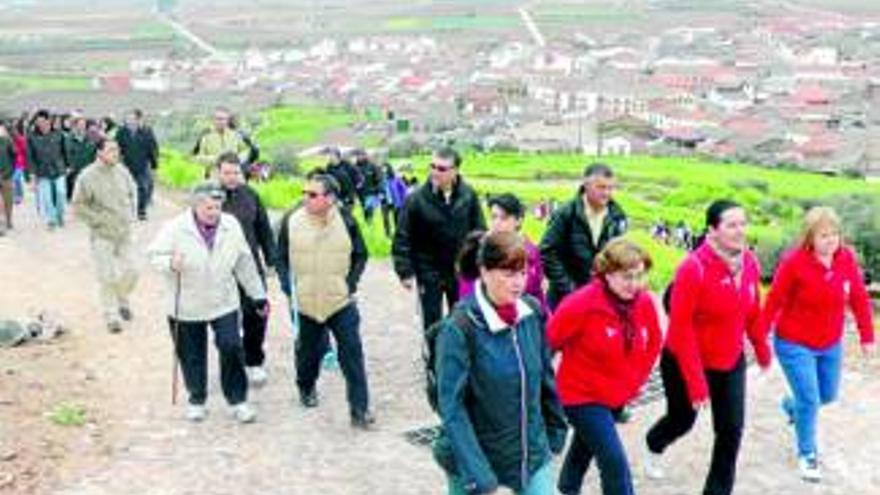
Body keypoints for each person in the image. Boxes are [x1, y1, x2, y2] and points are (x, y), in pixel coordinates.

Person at [643, 199, 771, 495]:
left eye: (743, 223)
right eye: (731, 225)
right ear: (712, 231)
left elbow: (752, 311)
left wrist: (762, 350)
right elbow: (680, 330)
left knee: (730, 431)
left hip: (729, 361)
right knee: (682, 420)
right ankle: (654, 443)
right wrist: (697, 384)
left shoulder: (750, 262)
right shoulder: (693, 268)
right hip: (686, 360)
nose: (740, 231)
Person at [433, 231, 567, 494]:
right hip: (475, 462)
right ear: (484, 272)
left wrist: (555, 433)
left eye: (522, 273)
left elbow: (544, 377)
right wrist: (483, 481)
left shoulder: (532, 312)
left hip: (532, 455)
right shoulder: (459, 328)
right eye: (508, 273)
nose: (518, 283)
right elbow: (452, 408)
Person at [760, 206, 875, 482]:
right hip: (794, 342)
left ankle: (791, 407)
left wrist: (867, 336)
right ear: (810, 237)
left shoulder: (846, 259)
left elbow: (859, 298)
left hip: (829, 343)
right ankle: (807, 454)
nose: (831, 240)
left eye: (835, 234)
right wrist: (759, 337)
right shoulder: (794, 263)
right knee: (810, 400)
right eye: (824, 235)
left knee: (827, 395)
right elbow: (774, 300)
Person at [547, 238, 662, 495]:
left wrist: (636, 380)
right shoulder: (581, 304)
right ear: (607, 274)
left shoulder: (643, 302)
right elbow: (547, 346)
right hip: (581, 396)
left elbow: (654, 341)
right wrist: (542, 394)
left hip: (616, 395)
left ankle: (566, 490)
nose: (635, 284)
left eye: (640, 276)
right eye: (627, 277)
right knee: (614, 463)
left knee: (583, 449)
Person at [147, 181, 267, 423]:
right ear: (195, 206)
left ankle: (238, 400)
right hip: (187, 303)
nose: (214, 213)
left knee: (232, 346)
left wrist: (258, 294)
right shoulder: (175, 227)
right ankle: (197, 399)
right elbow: (153, 255)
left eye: (218, 207)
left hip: (223, 300)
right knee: (191, 353)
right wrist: (170, 262)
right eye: (209, 208)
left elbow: (244, 262)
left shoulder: (231, 225)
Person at [276, 172, 374, 429]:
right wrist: (288, 286)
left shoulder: (347, 221)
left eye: (312, 194)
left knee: (352, 354)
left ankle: (360, 409)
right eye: (304, 193)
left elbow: (361, 255)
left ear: (330, 198)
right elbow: (280, 257)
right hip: (306, 303)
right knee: (307, 356)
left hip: (340, 302)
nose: (305, 198)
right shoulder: (291, 220)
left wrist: (349, 284)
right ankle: (306, 388)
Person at [392, 147, 485, 331]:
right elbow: (403, 236)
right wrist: (405, 271)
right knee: (432, 323)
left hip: (460, 269)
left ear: (455, 171)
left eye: (442, 168)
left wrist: (481, 264)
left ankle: (457, 358)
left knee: (461, 320)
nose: (435, 172)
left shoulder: (469, 196)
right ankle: (433, 358)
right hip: (428, 270)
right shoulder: (416, 199)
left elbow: (480, 231)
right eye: (432, 166)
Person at [216, 152, 277, 386]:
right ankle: (231, 362)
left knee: (257, 315)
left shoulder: (251, 195)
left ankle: (254, 361)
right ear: (218, 173)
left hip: (251, 266)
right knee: (226, 320)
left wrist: (272, 259)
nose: (232, 177)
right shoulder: (209, 198)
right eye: (227, 173)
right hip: (220, 270)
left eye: (236, 173)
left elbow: (264, 230)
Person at [71, 138, 139, 333]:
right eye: (110, 150)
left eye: (116, 150)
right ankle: (111, 316)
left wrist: (131, 211)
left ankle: (121, 297)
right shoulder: (87, 176)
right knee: (106, 276)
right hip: (102, 235)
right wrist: (98, 220)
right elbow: (77, 206)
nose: (115, 154)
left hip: (124, 232)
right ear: (99, 153)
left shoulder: (122, 171)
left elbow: (133, 189)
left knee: (133, 270)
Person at [540, 163, 627, 311]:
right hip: (564, 298)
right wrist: (569, 289)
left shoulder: (617, 216)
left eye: (610, 188)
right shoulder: (567, 213)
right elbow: (547, 252)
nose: (606, 193)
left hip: (599, 298)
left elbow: (617, 256)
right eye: (601, 187)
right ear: (586, 185)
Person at [457, 193, 548, 314]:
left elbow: (537, 292)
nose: (497, 223)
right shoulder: (479, 248)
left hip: (523, 317)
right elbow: (467, 290)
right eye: (494, 217)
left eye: (504, 218)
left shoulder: (531, 251)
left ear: (518, 221)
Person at [116, 109, 159, 221]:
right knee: (125, 189)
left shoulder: (147, 131)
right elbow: (117, 147)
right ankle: (126, 210)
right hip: (126, 164)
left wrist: (154, 165)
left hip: (142, 165)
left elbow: (153, 149)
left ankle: (141, 211)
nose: (129, 121)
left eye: (132, 119)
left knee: (142, 188)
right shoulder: (122, 132)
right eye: (128, 119)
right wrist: (117, 161)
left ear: (138, 119)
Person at [28, 110, 67, 229]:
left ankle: (59, 215)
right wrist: (32, 174)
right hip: (42, 171)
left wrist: (68, 165)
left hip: (58, 169)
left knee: (61, 193)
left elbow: (64, 151)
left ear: (48, 120)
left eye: (43, 121)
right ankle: (51, 219)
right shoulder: (32, 137)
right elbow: (31, 157)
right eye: (38, 122)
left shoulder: (58, 134)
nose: (41, 124)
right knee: (47, 198)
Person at [193, 107, 250, 178]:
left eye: (223, 119)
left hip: (234, 176)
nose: (220, 121)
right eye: (218, 119)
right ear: (213, 120)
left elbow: (246, 151)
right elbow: (199, 159)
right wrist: (216, 159)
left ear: (227, 120)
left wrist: (236, 159)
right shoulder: (206, 137)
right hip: (215, 176)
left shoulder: (236, 135)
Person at [63, 116, 97, 202]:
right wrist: (68, 166)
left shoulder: (90, 139)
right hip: (73, 172)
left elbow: (93, 155)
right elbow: (65, 154)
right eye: (80, 124)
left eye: (84, 125)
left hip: (87, 171)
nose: (82, 126)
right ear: (75, 126)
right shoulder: (68, 139)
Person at [0, 123, 14, 235]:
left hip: (6, 175)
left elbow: (14, 155)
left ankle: (8, 220)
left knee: (8, 200)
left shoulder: (7, 141)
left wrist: (10, 171)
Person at [11, 119, 28, 205]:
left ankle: (17, 197)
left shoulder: (21, 139)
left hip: (20, 163)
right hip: (12, 163)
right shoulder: (10, 139)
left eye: (15, 130)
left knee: (15, 179)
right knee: (17, 180)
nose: (14, 132)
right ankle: (20, 194)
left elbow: (25, 151)